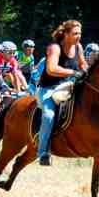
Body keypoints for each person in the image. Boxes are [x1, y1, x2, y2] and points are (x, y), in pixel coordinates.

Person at [36, 20, 87, 166]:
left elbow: (83, 64)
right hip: (49, 89)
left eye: (80, 33)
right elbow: (51, 69)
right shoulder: (55, 47)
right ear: (65, 34)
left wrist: (87, 72)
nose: (78, 36)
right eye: (75, 33)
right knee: (49, 115)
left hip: (69, 86)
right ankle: (43, 152)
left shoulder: (78, 47)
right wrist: (73, 72)